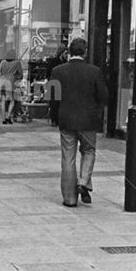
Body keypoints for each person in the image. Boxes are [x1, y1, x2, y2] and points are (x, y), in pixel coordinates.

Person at [48, 38, 108, 208]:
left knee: (68, 157)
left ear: (69, 51)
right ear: (85, 51)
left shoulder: (58, 71)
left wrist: (55, 117)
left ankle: (70, 199)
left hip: (66, 119)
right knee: (89, 150)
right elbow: (103, 97)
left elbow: (52, 98)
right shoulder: (94, 71)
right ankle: (83, 181)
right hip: (89, 121)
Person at [0, 50, 23, 125]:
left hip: (2, 82)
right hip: (10, 82)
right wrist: (16, 77)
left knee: (3, 101)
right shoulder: (17, 62)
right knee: (12, 101)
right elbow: (20, 74)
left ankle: (3, 118)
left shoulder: (3, 62)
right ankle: (8, 117)